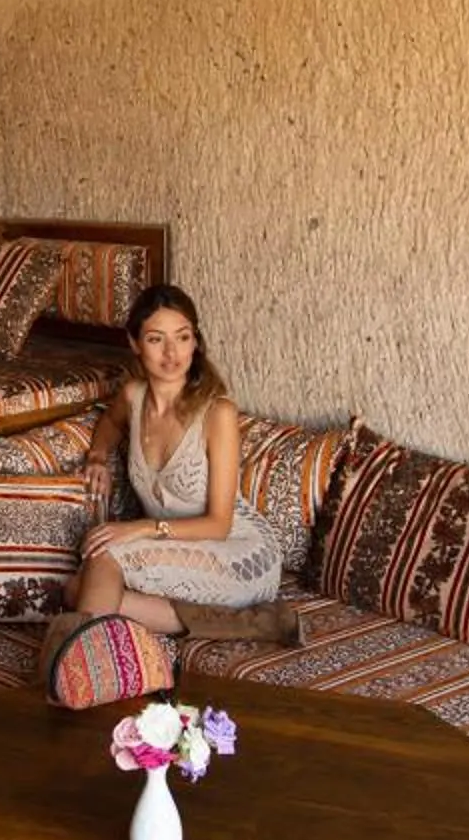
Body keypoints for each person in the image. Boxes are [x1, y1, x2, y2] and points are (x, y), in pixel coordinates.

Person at [42, 283, 301, 663]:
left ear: (195, 341)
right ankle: (249, 622)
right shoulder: (133, 396)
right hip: (181, 546)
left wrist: (141, 528)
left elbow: (218, 524)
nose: (171, 353)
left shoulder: (217, 413)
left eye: (182, 337)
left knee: (106, 558)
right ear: (134, 343)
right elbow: (111, 423)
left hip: (237, 550)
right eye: (155, 339)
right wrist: (97, 456)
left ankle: (83, 672)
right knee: (75, 589)